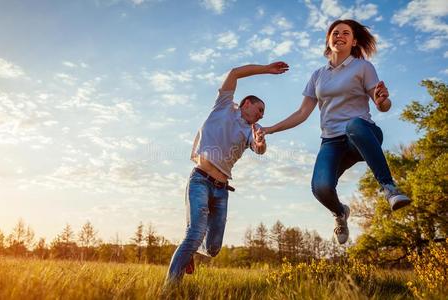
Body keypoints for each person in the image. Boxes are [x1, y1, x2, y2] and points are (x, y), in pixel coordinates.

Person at [263, 19, 411, 245]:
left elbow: (382, 104)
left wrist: (383, 101)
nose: (339, 36)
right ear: (328, 39)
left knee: (354, 125)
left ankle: (389, 188)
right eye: (335, 32)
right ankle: (340, 213)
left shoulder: (362, 67)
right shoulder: (318, 75)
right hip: (331, 143)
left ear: (354, 41)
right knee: (321, 188)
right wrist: (270, 129)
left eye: (345, 33)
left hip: (362, 135)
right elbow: (302, 112)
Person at [165, 62, 289, 284]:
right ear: (247, 104)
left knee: (212, 248)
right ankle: (169, 290)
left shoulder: (250, 131)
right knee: (194, 234)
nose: (261, 116)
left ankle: (190, 250)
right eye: (260, 110)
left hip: (222, 190)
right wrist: (267, 69)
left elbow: (259, 149)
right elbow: (234, 73)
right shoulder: (223, 106)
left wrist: (261, 142)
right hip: (200, 181)